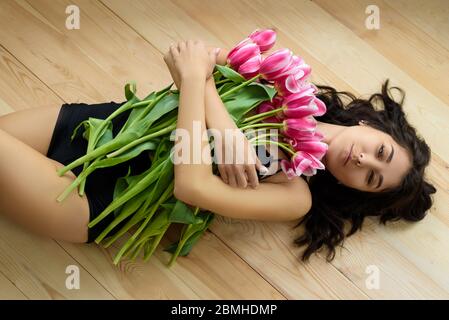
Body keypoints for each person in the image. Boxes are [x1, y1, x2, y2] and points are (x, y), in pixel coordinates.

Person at [0, 40, 435, 262]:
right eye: (381, 151)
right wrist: (226, 131)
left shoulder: (293, 193)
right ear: (370, 125)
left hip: (92, 201)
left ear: (354, 189)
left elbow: (191, 185)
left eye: (372, 177)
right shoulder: (286, 85)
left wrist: (195, 82)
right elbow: (191, 55)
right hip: (94, 126)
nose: (364, 161)